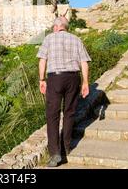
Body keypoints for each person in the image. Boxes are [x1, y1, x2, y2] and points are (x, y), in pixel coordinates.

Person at [37, 17, 91, 168]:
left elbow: (42, 60)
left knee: (52, 115)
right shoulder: (76, 39)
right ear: (66, 27)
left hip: (55, 78)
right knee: (69, 113)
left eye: (53, 26)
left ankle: (55, 154)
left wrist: (42, 79)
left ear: (57, 26)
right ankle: (66, 148)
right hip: (73, 78)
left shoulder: (49, 39)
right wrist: (85, 82)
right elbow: (84, 62)